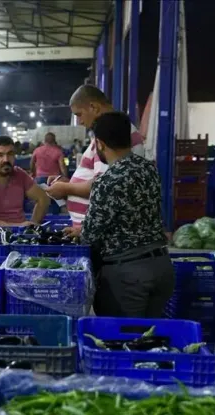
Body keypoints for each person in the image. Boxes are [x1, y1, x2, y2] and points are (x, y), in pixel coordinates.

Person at [66, 112, 174, 318]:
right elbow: (132, 215)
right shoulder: (149, 170)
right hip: (161, 267)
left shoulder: (108, 181)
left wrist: (81, 232)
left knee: (123, 340)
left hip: (128, 277)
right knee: (150, 340)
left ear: (99, 143)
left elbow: (91, 236)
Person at [45, 85, 145, 228]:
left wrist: (66, 189)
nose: (80, 122)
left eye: (79, 114)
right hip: (93, 229)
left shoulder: (112, 136)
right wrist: (68, 184)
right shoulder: (112, 132)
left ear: (93, 107)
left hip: (99, 232)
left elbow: (103, 187)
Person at [0, 136, 50, 226]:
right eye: (0, 155)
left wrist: (33, 225)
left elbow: (43, 198)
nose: (6, 159)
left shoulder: (20, 175)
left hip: (20, 235)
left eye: (10, 154)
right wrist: (19, 226)